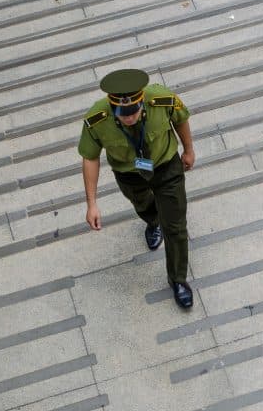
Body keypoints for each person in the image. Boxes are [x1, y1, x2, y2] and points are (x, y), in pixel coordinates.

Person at [78, 69, 196, 309]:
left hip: (166, 167)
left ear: (142, 102)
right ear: (113, 109)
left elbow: (181, 118)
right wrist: (92, 203)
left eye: (134, 111)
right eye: (123, 114)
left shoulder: (161, 100)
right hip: (129, 174)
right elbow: (90, 158)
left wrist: (189, 150)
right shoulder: (97, 119)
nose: (129, 118)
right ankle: (153, 222)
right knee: (143, 205)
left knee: (176, 226)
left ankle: (178, 279)